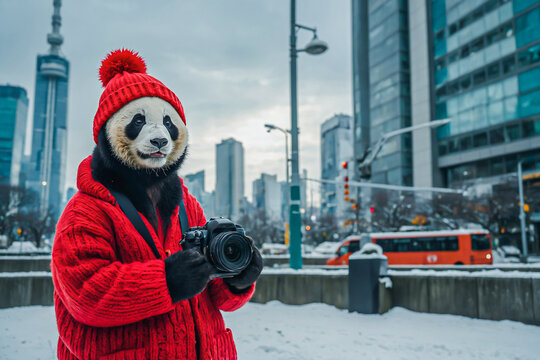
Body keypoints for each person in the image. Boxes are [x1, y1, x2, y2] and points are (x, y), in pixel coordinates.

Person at [51, 49, 262, 360]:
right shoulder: (86, 211)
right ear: (108, 132)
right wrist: (166, 281)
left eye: (167, 122)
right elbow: (85, 293)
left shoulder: (188, 206)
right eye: (138, 121)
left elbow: (212, 297)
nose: (160, 134)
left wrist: (235, 281)